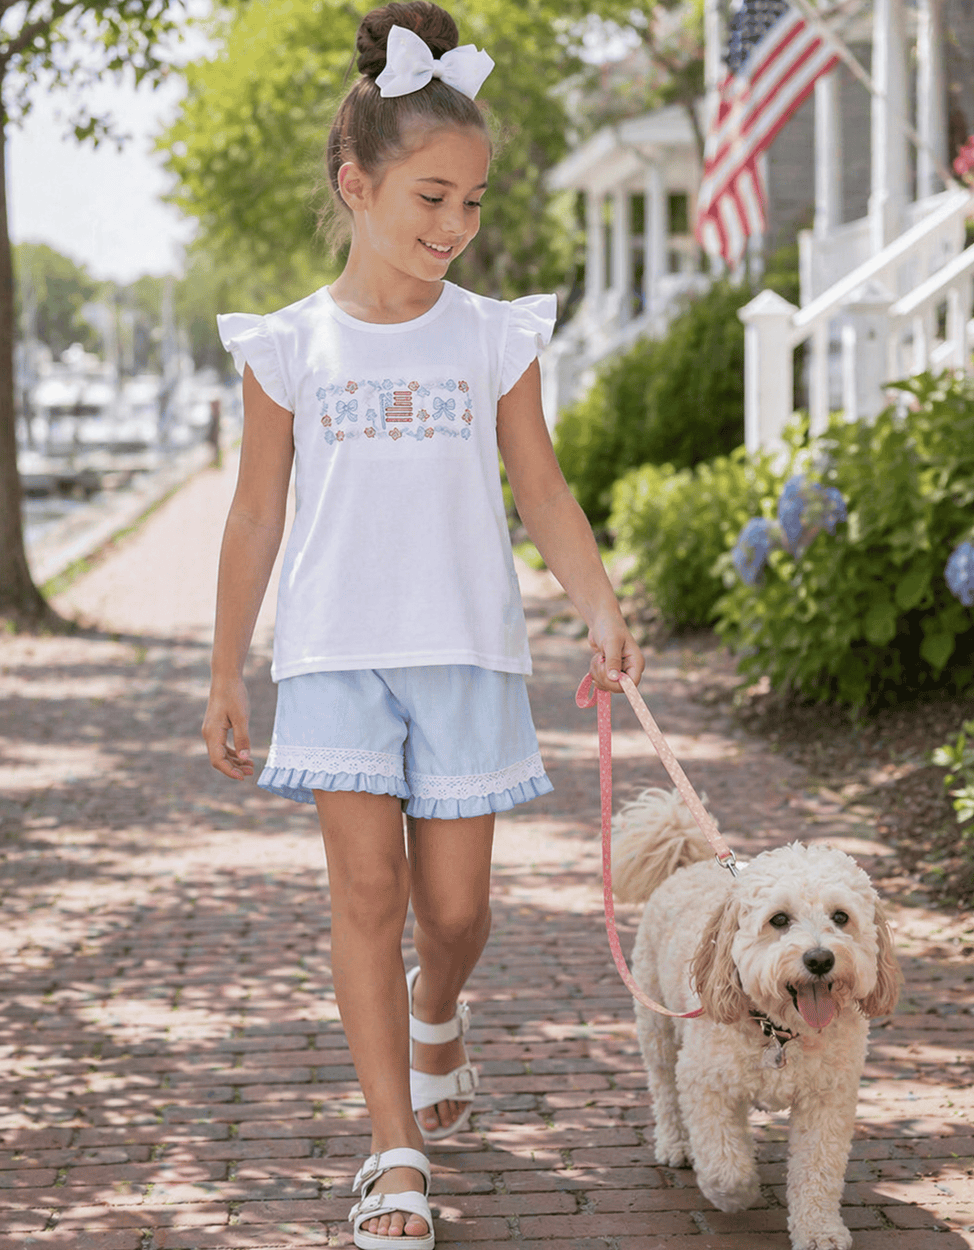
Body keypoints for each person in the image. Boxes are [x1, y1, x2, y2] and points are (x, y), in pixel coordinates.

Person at [202, 4, 644, 1246]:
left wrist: (598, 602)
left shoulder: (491, 337)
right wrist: (227, 669)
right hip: (338, 653)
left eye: (474, 203)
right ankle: (394, 1151)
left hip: (465, 651)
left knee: (453, 913)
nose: (455, 227)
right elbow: (251, 516)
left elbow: (542, 490)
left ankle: (438, 1006)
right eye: (431, 198)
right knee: (367, 896)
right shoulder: (288, 344)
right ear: (357, 184)